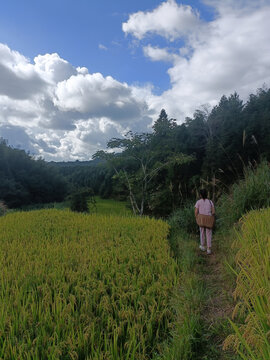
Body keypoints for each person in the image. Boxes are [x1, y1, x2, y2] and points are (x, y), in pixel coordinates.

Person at [194, 189, 215, 254]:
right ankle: (209, 249)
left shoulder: (198, 202)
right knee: (208, 233)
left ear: (200, 195)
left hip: (201, 219)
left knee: (202, 232)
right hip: (208, 219)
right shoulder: (210, 202)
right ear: (206, 194)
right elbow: (213, 212)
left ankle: (202, 246)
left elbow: (196, 212)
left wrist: (197, 217)